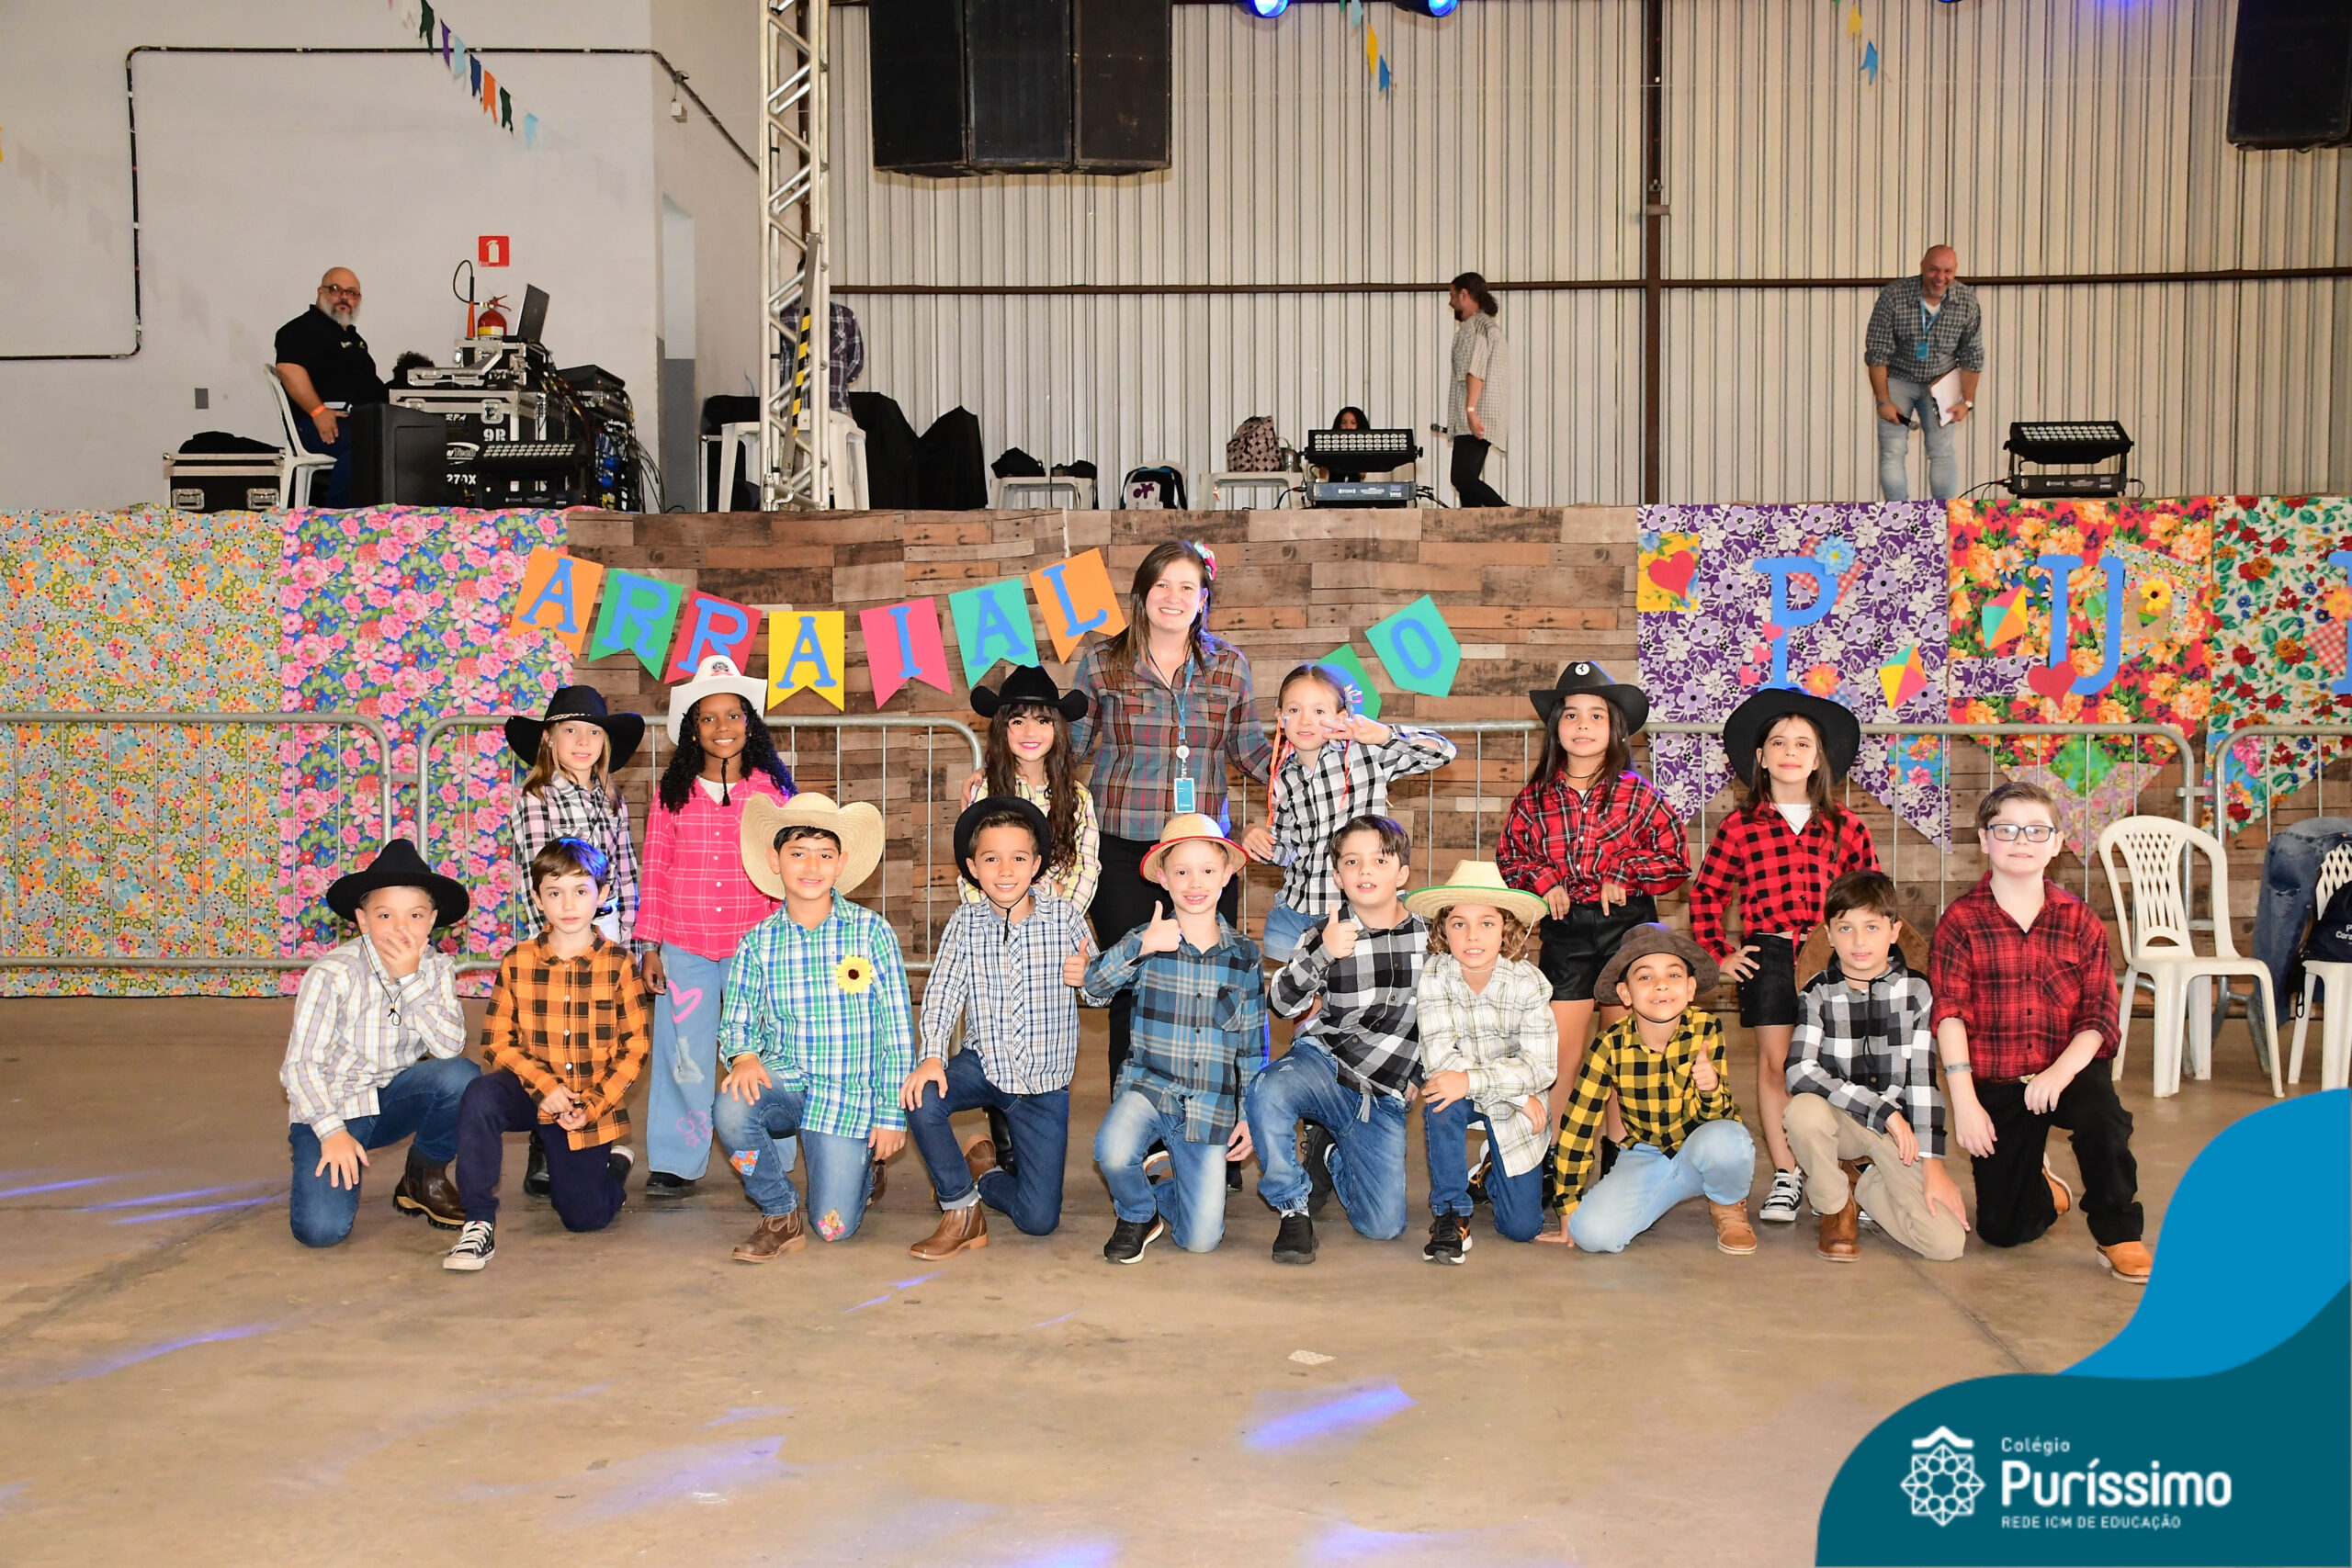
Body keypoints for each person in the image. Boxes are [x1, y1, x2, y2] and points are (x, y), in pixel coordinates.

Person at [1068, 541, 1272, 1090]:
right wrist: (999, 770)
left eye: (1187, 586)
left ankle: (1211, 1118)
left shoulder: (1229, 666)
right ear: (1142, 593)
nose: (1173, 597)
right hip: (1122, 851)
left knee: (1210, 983)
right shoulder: (1103, 662)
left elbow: (1251, 753)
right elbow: (1069, 746)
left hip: (1203, 853)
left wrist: (1320, 758)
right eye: (1161, 584)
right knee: (1131, 984)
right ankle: (1135, 1120)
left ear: (1204, 598)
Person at [1931, 782, 2152, 1284]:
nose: (2021, 841)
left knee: (2103, 1119)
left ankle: (2118, 1232)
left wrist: (2059, 1073)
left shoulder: (2080, 920)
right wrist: (1965, 1102)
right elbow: (1950, 1014)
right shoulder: (1961, 922)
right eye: (2006, 829)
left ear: (2056, 844)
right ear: (1984, 840)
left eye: (2036, 830)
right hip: (1998, 1077)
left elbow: (2099, 1014)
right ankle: (2044, 1188)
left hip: (2068, 1066)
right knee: (2002, 1231)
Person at [1690, 689, 1880, 1226]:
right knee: (1776, 1064)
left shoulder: (1847, 827)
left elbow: (1871, 897)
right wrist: (1720, 954)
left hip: (1832, 955)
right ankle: (1786, 1172)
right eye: (1778, 743)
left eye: (1802, 743)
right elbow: (1706, 894)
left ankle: (1846, 1171)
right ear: (1761, 757)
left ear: (1819, 758)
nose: (1790, 752)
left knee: (1839, 1063)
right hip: (1769, 954)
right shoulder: (1739, 826)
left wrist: (1868, 954)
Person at [713, 794, 913, 1261]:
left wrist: (890, 1114)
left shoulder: (871, 932)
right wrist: (744, 1057)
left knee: (833, 1227)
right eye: (798, 853)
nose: (811, 866)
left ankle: (863, 1170)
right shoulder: (758, 942)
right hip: (789, 1082)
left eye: (825, 855)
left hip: (848, 1095)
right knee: (731, 1106)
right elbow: (737, 1019)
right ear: (775, 861)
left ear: (840, 863)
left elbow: (897, 1032)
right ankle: (779, 1211)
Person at [1498, 660, 1689, 1141]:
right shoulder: (1534, 798)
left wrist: (1625, 871)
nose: (1583, 725)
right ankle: (1548, 1155)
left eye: (1596, 715)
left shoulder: (1640, 795)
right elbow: (1511, 856)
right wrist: (1544, 880)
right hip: (1567, 932)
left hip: (1628, 929)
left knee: (1622, 1052)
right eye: (1571, 715)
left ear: (1615, 728)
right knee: (1559, 1054)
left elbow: (1675, 859)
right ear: (1555, 728)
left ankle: (1620, 1155)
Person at [444, 839, 650, 1272]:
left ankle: (613, 1165)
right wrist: (545, 1088)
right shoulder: (518, 960)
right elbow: (495, 1040)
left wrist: (591, 1106)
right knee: (480, 1094)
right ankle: (478, 1222)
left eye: (580, 891)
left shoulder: (619, 964)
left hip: (587, 1103)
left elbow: (634, 1048)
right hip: (531, 1091)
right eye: (554, 893)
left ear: (602, 894)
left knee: (584, 1218)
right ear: (537, 898)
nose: (568, 905)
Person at [901, 796, 1093, 1258]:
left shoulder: (1064, 917)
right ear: (973, 867)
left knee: (1038, 1220)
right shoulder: (966, 922)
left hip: (1043, 1086)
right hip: (984, 1064)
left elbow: (1101, 990)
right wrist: (932, 1054)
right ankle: (961, 1207)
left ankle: (983, 1175)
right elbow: (943, 992)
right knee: (922, 1097)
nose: (1005, 871)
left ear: (1037, 865)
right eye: (991, 859)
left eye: (1018, 859)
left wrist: (1090, 977)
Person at [637, 655, 796, 1201]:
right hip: (685, 944)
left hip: (757, 946)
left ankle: (772, 1148)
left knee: (765, 1050)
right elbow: (655, 868)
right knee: (684, 1054)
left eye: (733, 715)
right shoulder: (672, 793)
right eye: (708, 718)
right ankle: (676, 1160)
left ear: (750, 724)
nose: (722, 727)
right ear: (692, 728)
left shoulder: (772, 791)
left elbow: (792, 866)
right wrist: (650, 944)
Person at [1081, 815, 1267, 1261]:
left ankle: (1168, 1187)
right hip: (1149, 1087)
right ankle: (1137, 1212)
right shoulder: (1147, 940)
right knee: (1111, 1151)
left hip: (1209, 1105)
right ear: (1163, 879)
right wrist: (1142, 945)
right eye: (1181, 871)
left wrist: (1248, 1115)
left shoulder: (1244, 956)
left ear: (1226, 875)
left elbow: (1251, 1045)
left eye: (1207, 870)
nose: (1194, 882)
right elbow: (1094, 986)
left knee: (1200, 1240)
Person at [280, 839, 478, 1247]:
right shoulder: (332, 974)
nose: (401, 928)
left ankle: (423, 1175)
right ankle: (326, 1150)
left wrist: (410, 980)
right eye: (385, 915)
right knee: (321, 1231)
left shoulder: (437, 968)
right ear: (363, 920)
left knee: (462, 1078)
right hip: (335, 1108)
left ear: (432, 920)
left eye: (415, 915)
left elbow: (449, 1048)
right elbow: (300, 1066)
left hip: (393, 1099)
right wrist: (332, 1133)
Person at [1249, 815, 1428, 1265]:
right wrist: (1324, 952)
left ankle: (1329, 1151)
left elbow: (1443, 1020)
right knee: (1267, 1088)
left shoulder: (1429, 939)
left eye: (1380, 861)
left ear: (1402, 874)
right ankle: (1293, 1209)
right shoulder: (1323, 932)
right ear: (1338, 876)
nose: (1365, 870)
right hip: (1326, 1064)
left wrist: (1419, 1076)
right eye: (1352, 862)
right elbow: (1281, 1004)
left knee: (1383, 1227)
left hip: (1383, 1092)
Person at [503, 683, 650, 1204]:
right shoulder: (535, 800)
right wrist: (548, 944)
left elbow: (625, 870)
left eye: (593, 732)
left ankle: (599, 1130)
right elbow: (535, 877)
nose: (583, 742)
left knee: (599, 1036)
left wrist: (633, 940)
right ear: (549, 740)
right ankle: (544, 1142)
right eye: (571, 731)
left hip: (607, 933)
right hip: (557, 937)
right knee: (551, 1037)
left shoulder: (612, 799)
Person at [1784, 870, 1969, 1264]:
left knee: (1946, 1244)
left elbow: (1922, 1083)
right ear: (1829, 935)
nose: (1859, 941)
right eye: (1845, 929)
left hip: (1897, 1135)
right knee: (1803, 1112)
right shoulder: (1817, 992)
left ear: (1894, 931)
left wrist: (1933, 1167)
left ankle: (1865, 1186)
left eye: (1871, 927)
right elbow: (1799, 1071)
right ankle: (1835, 1205)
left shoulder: (1918, 991)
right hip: (1842, 1122)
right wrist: (1882, 1111)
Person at [1544, 925, 1757, 1256]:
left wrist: (1711, 1087)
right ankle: (1665, 1187)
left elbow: (1718, 1116)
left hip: (1700, 1143)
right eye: (1645, 977)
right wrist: (1568, 1202)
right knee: (1591, 1235)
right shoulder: (1610, 1044)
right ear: (1625, 994)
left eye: (1673, 975)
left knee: (1729, 1140)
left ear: (1690, 988)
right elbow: (1579, 1124)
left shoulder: (1706, 1028)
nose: (1661, 984)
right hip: (1646, 1153)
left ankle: (1727, 1203)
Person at [1240, 662, 1453, 964]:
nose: (1305, 720)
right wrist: (1256, 838)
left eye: (1319, 711)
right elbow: (1289, 851)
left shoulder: (1365, 754)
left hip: (1357, 913)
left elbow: (1442, 752)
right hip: (1295, 913)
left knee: (1354, 988)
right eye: (1294, 710)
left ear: (1341, 717)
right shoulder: (1282, 777)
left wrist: (1385, 734)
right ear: (1280, 717)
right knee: (1297, 990)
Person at [1408, 861, 1557, 1263]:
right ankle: (1451, 1213)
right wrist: (1509, 1093)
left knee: (1521, 1228)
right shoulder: (1435, 975)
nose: (1472, 936)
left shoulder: (1529, 983)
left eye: (1487, 923)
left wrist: (1481, 1085)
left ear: (1506, 928)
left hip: (1511, 1104)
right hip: (1495, 1094)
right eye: (1459, 924)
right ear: (1443, 930)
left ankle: (1491, 1169)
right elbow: (1440, 1058)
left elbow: (1541, 1067)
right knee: (1440, 1097)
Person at [964, 665, 1100, 911]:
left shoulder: (1078, 797)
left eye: (1042, 721)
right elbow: (971, 870)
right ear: (1002, 729)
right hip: (995, 921)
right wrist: (1048, 891)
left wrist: (1063, 918)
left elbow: (1086, 868)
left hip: (1058, 921)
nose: (1030, 732)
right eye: (1018, 721)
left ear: (1057, 728)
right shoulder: (985, 791)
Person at [1864, 244, 1984, 502]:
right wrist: (1883, 401)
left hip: (1942, 382)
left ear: (1955, 271)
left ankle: (1943, 512)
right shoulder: (1894, 295)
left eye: (1947, 271)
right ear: (1922, 267)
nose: (1940, 278)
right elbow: (1877, 353)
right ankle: (1899, 513)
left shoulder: (1967, 301)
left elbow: (1972, 355)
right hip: (1898, 379)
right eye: (1934, 270)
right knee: (1893, 450)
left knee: (1941, 451)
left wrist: (1967, 401)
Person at [273, 267, 389, 507]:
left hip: (357, 419)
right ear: (320, 292)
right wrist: (318, 411)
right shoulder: (301, 330)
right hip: (316, 423)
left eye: (352, 293)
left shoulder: (353, 339)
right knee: (370, 442)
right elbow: (288, 370)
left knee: (400, 437)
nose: (344, 297)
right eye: (336, 290)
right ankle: (337, 516)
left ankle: (387, 516)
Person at [1444, 271, 1508, 507]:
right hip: (1479, 417)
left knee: (1461, 478)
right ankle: (1470, 527)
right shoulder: (1486, 326)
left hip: (1474, 419)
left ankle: (1510, 514)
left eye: (1452, 295)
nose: (1450, 302)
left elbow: (1475, 371)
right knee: (1466, 487)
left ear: (1464, 294)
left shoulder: (1475, 327)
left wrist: (1470, 411)